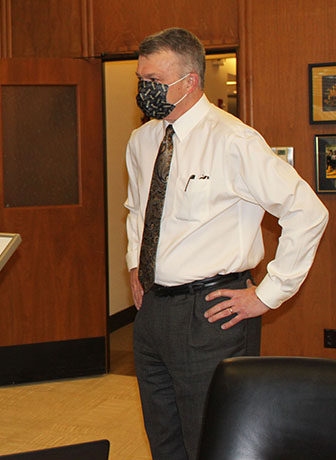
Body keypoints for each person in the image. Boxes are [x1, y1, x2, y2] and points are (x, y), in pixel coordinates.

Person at [125, 28, 328, 460]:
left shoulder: (233, 140)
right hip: (152, 312)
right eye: (140, 79)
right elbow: (137, 210)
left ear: (190, 81)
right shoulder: (142, 141)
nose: (144, 90)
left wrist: (268, 294)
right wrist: (134, 266)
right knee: (163, 437)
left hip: (211, 314)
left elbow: (308, 211)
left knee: (213, 439)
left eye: (154, 81)